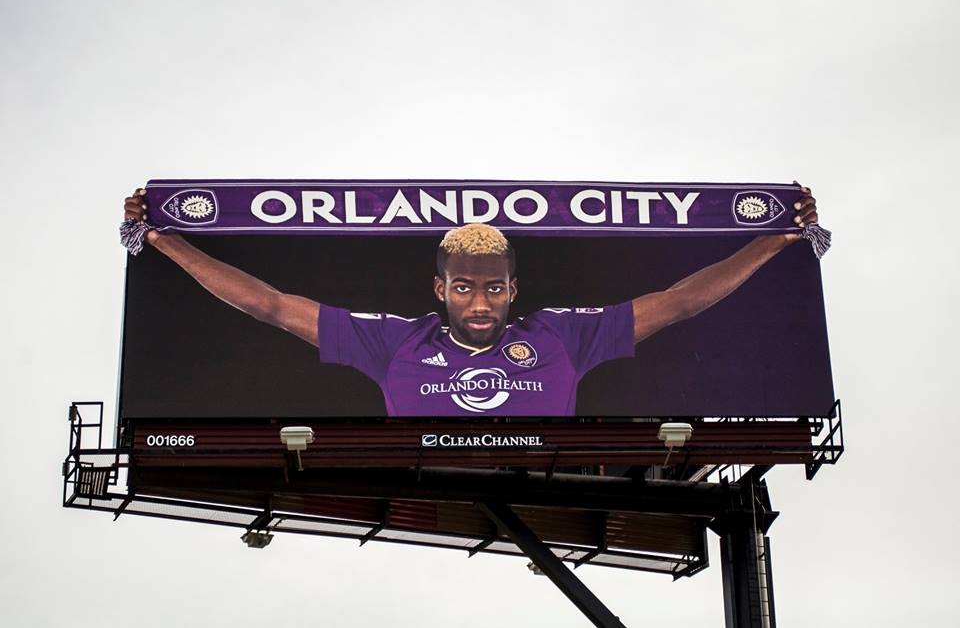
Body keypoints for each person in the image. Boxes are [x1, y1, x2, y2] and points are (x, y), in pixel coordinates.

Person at [123, 188, 819, 416]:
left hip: (549, 483)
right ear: (440, 288)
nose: (478, 301)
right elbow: (271, 305)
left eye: (491, 286)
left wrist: (775, 240)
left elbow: (679, 302)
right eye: (463, 286)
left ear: (513, 288)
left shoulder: (560, 335)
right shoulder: (397, 340)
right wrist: (163, 238)